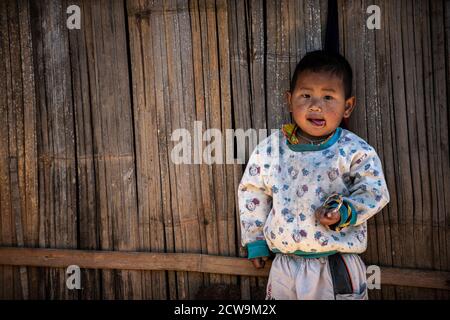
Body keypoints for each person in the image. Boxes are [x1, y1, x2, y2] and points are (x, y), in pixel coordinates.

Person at [238, 50, 390, 300]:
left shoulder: (354, 151)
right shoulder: (271, 149)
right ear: (289, 100)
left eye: (328, 97)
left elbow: (375, 192)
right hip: (284, 266)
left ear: (347, 106)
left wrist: (344, 212)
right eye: (305, 95)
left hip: (335, 264)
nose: (316, 105)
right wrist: (256, 241)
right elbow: (251, 192)